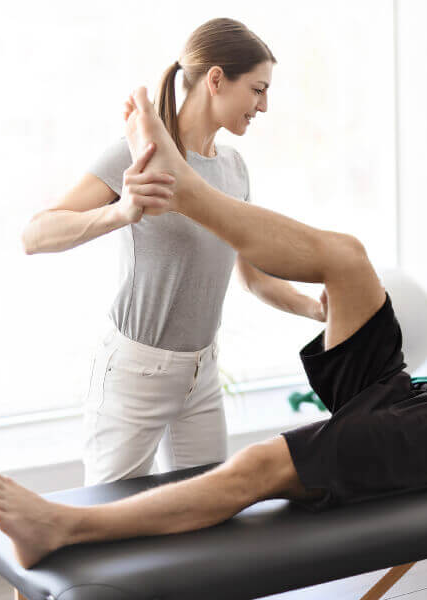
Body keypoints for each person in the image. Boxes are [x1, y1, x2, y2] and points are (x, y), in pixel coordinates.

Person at [0, 86, 427, 569]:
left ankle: (63, 526)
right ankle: (189, 191)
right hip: (415, 396)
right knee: (346, 258)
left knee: (257, 468)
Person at [19, 19, 326, 486]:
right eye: (258, 89)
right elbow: (35, 235)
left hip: (201, 375)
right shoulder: (135, 154)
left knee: (204, 519)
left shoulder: (234, 168)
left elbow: (252, 275)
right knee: (108, 528)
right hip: (134, 373)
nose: (264, 105)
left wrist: (315, 308)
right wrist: (120, 212)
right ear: (217, 79)